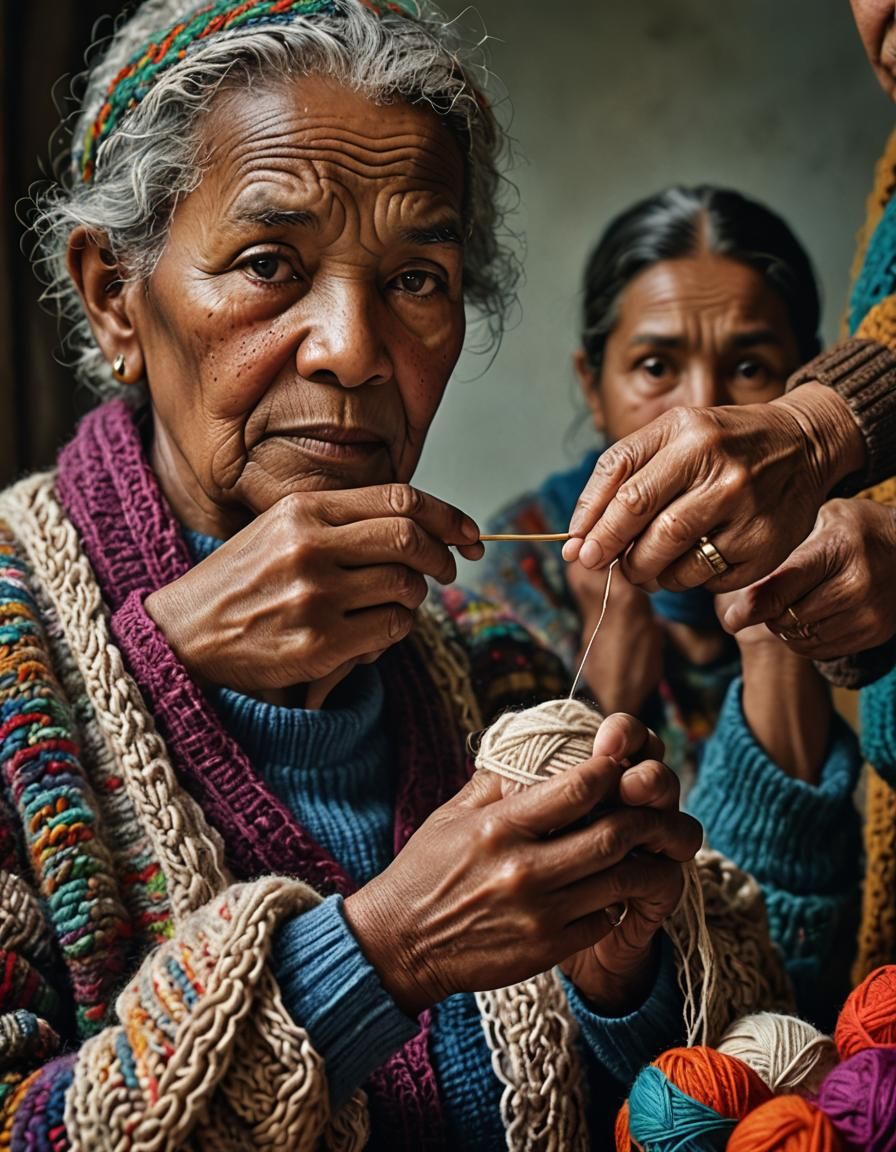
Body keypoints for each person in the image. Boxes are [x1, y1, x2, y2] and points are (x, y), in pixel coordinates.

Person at [0, 2, 709, 1148]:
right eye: (270, 263)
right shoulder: (14, 669)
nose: (352, 347)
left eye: (416, 278)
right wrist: (392, 946)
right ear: (114, 294)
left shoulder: (501, 676)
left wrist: (613, 981)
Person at [476, 187, 863, 1022]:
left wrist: (777, 638)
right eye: (655, 367)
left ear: (809, 380)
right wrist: (607, 671)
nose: (701, 413)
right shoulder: (521, 575)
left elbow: (803, 973)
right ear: (593, 383)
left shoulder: (861, 568)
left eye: (752, 367)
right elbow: (534, 966)